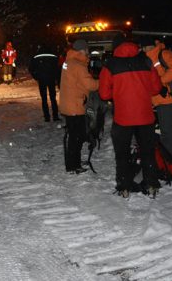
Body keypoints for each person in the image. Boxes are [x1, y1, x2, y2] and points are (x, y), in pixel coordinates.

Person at [99, 33, 163, 198]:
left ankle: (124, 186)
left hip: (123, 118)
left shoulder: (110, 65)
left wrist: (119, 91)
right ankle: (151, 184)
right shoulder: (146, 61)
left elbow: (104, 94)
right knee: (148, 152)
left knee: (122, 154)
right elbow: (156, 89)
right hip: (145, 116)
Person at [140, 36, 172, 165]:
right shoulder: (146, 58)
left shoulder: (163, 53)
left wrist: (160, 83)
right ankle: (167, 159)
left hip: (167, 98)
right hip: (154, 100)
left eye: (143, 47)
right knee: (161, 132)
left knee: (167, 131)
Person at [59, 39, 99, 173]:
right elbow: (90, 85)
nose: (88, 53)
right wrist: (101, 82)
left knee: (75, 136)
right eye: (87, 50)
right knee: (77, 137)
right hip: (75, 106)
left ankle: (73, 161)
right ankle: (72, 166)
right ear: (82, 50)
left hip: (68, 104)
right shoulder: (78, 65)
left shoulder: (68, 62)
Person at [29, 44, 60, 122]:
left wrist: (36, 77)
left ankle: (47, 117)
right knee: (53, 98)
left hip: (42, 79)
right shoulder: (53, 56)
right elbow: (58, 68)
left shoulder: (36, 56)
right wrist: (56, 78)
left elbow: (31, 68)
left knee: (44, 99)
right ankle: (55, 116)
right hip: (51, 79)